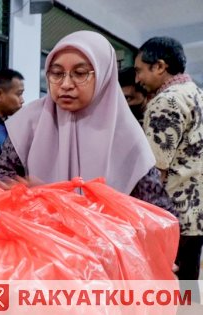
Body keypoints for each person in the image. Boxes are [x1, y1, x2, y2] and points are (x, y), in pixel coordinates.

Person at [0, 31, 174, 213]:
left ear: (104, 76)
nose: (66, 84)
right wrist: (24, 194)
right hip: (36, 237)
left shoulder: (128, 138)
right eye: (56, 73)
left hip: (103, 240)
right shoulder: (29, 122)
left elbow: (159, 215)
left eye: (79, 73)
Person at [135, 36, 203, 294]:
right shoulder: (197, 95)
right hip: (196, 215)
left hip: (172, 216)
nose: (138, 79)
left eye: (141, 70)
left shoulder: (166, 102)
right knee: (187, 286)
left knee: (164, 290)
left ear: (160, 66)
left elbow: (154, 171)